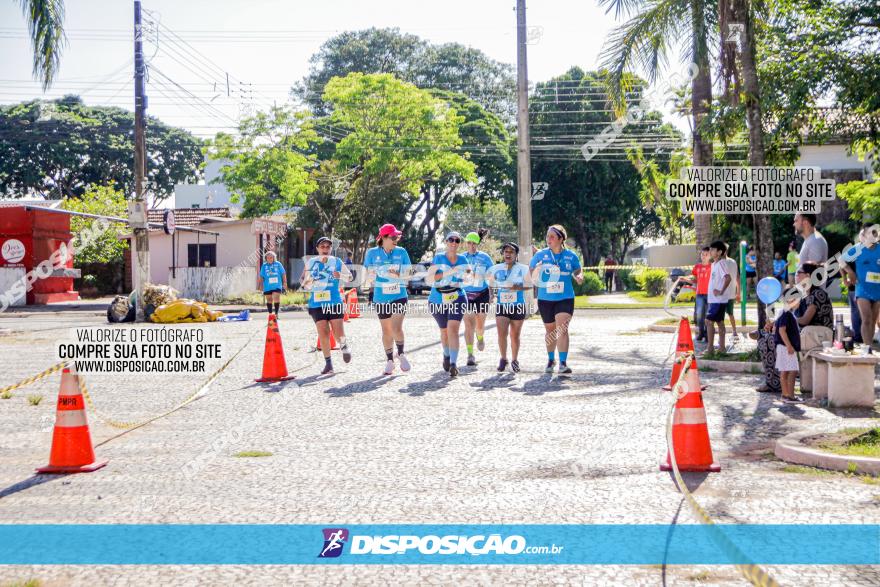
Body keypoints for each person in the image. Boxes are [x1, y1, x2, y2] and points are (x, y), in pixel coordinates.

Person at [529, 224, 584, 375]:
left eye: (552, 237)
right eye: (547, 236)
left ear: (561, 239)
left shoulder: (571, 256)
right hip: (545, 298)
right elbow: (531, 272)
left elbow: (578, 270)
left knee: (562, 329)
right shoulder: (540, 255)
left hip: (565, 297)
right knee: (550, 330)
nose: (548, 239)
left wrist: (579, 276)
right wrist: (537, 270)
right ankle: (551, 359)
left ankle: (563, 363)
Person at [363, 223, 412, 375]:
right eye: (393, 237)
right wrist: (370, 285)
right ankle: (390, 360)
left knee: (396, 328)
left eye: (397, 236)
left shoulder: (401, 252)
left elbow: (409, 274)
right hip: (381, 297)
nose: (396, 239)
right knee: (386, 330)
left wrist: (397, 274)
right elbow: (368, 276)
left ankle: (401, 353)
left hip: (399, 295)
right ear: (383, 238)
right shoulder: (372, 253)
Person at [300, 236, 352, 375]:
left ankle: (344, 346)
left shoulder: (337, 261)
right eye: (322, 246)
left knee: (338, 332)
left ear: (330, 249)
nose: (325, 249)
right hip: (316, 303)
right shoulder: (311, 262)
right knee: (323, 333)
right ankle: (328, 364)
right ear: (317, 249)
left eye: (327, 247)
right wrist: (308, 281)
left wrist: (340, 275)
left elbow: (350, 277)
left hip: (334, 301)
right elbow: (303, 282)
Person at [426, 232, 470, 377]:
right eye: (451, 239)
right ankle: (446, 354)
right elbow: (430, 278)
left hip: (457, 296)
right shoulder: (438, 257)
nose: (454, 242)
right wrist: (448, 272)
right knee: (444, 331)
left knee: (453, 329)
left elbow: (468, 277)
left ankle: (453, 363)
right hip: (437, 298)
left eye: (457, 240)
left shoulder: (463, 259)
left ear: (459, 243)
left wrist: (466, 276)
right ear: (446, 241)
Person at [488, 242, 530, 372]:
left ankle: (515, 359)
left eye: (511, 252)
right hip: (502, 305)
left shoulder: (523, 268)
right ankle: (503, 358)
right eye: (506, 251)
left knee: (515, 335)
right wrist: (491, 295)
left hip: (517, 305)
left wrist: (517, 287)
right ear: (503, 254)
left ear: (516, 255)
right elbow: (490, 283)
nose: (508, 254)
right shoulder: (497, 268)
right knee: (502, 334)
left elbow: (530, 285)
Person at [841, 223, 880, 353]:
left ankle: (868, 346)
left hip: (877, 290)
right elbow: (841, 261)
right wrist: (847, 276)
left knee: (873, 321)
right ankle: (867, 347)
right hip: (862, 289)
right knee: (867, 318)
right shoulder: (858, 249)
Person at [461, 230, 494, 367]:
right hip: (466, 295)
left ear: (478, 244)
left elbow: (492, 275)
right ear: (466, 244)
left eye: (474, 243)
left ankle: (480, 337)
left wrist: (492, 293)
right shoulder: (461, 258)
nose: (472, 245)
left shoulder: (485, 257)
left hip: (482, 294)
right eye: (469, 243)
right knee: (469, 325)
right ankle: (470, 355)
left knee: (479, 325)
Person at [705, 240, 738, 354]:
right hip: (714, 300)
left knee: (709, 321)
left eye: (713, 249)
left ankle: (710, 349)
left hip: (718, 300)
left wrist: (721, 291)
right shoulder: (714, 264)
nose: (711, 251)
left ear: (719, 252)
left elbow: (728, 278)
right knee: (719, 322)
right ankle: (722, 348)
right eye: (710, 249)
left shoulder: (721, 263)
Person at [774, 287, 803, 403]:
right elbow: (782, 330)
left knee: (785, 371)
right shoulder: (786, 313)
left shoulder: (785, 312)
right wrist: (789, 346)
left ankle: (785, 394)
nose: (799, 302)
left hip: (783, 347)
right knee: (793, 370)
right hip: (786, 347)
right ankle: (790, 395)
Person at [678, 247, 711, 342]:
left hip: (710, 295)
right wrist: (685, 279)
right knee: (699, 315)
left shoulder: (713, 267)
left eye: (706, 255)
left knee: (708, 315)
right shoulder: (697, 267)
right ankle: (700, 333)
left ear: (710, 256)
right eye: (702, 254)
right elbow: (695, 281)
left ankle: (708, 334)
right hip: (700, 295)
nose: (704, 256)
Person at [794, 213, 828, 289]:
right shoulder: (810, 239)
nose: (794, 224)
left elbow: (812, 272)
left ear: (805, 222)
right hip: (808, 296)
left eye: (796, 221)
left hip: (812, 297)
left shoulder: (815, 240)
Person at [258, 250, 285, 315]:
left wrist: (285, 283)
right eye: (268, 258)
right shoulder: (264, 266)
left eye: (271, 258)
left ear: (274, 258)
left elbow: (283, 274)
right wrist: (260, 285)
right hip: (267, 286)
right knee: (269, 300)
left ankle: (276, 314)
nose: (269, 259)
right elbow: (261, 276)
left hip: (277, 285)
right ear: (266, 258)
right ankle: (270, 314)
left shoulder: (278, 264)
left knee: (276, 298)